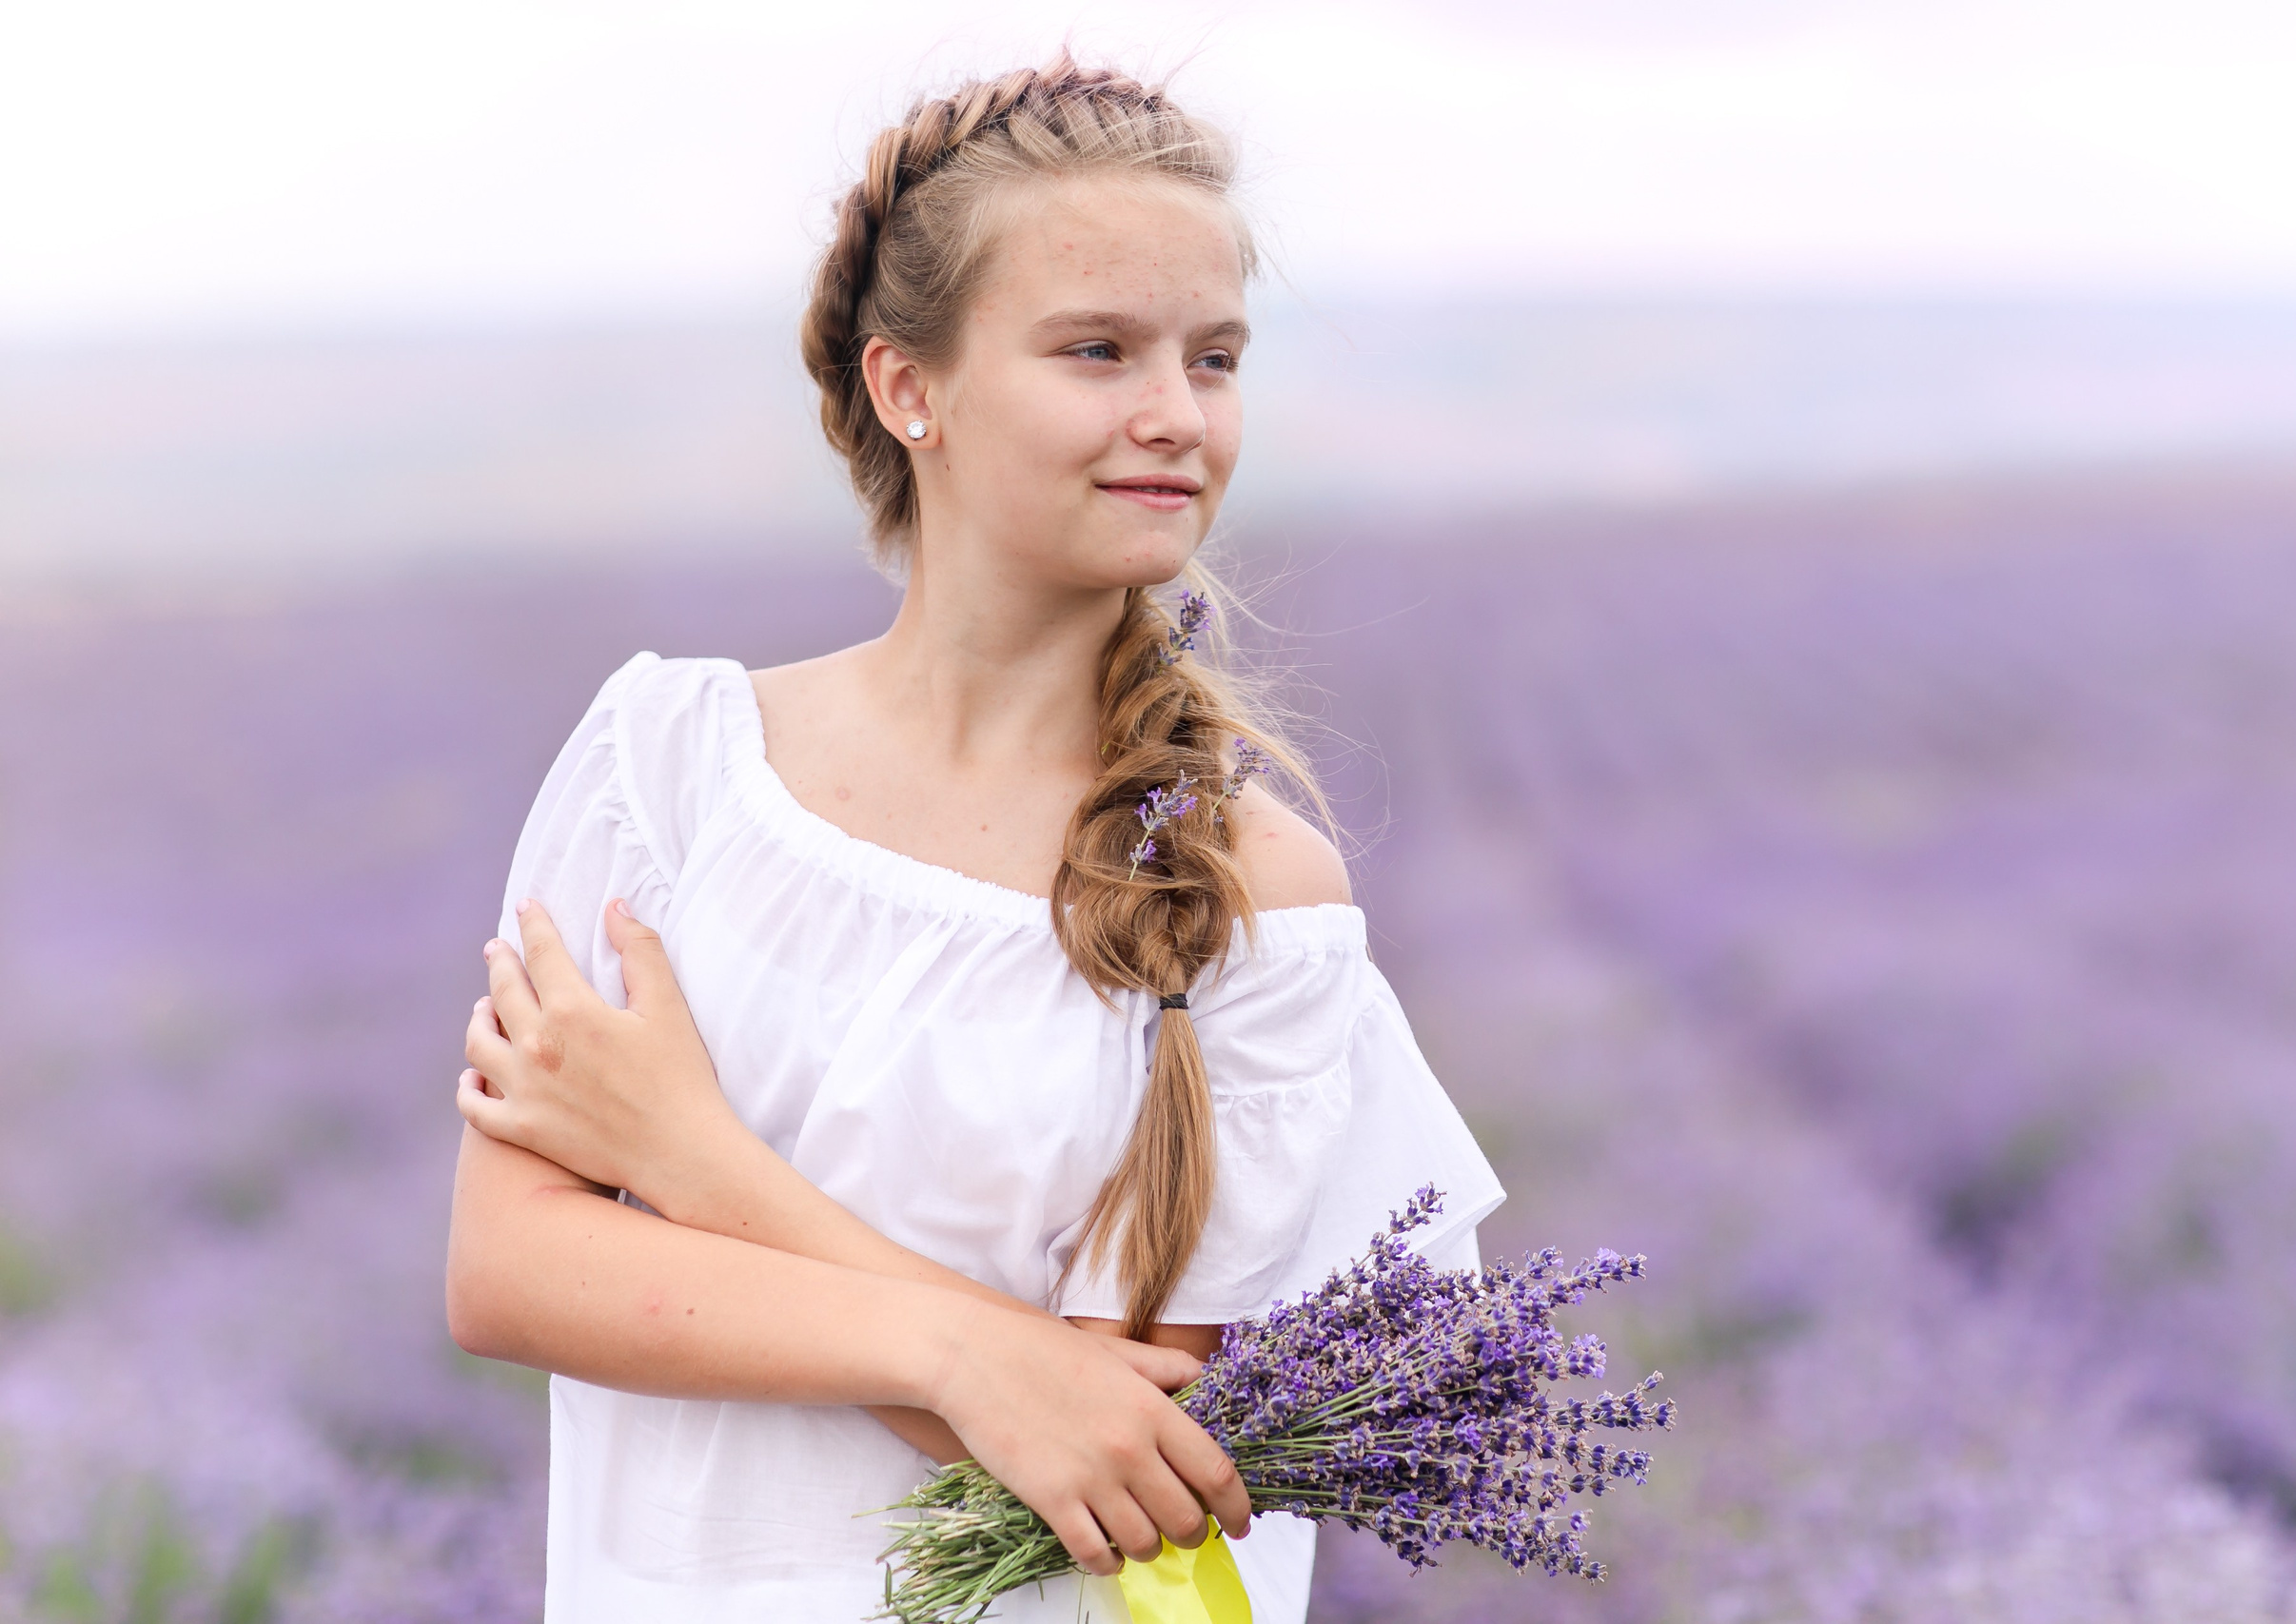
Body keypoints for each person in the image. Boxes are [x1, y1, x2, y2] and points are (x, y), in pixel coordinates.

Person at [444, 53, 1503, 1623]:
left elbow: (1123, 1450)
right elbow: (510, 1273)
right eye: (1098, 350)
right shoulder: (660, 767)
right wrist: (974, 1355)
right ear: (908, 387)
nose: (1175, 417)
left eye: (1214, 360)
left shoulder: (1251, 894)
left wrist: (691, 1162)